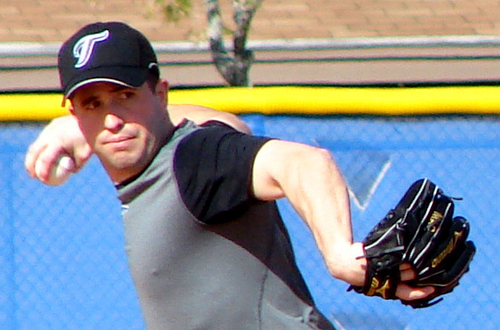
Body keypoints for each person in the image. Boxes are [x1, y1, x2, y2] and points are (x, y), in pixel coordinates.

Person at [25, 22, 433, 330]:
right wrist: (75, 129)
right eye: (93, 104)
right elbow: (228, 122)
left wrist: (340, 254)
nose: (112, 119)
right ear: (76, 116)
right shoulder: (173, 160)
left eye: (126, 96)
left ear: (161, 94)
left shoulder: (192, 162)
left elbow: (303, 163)